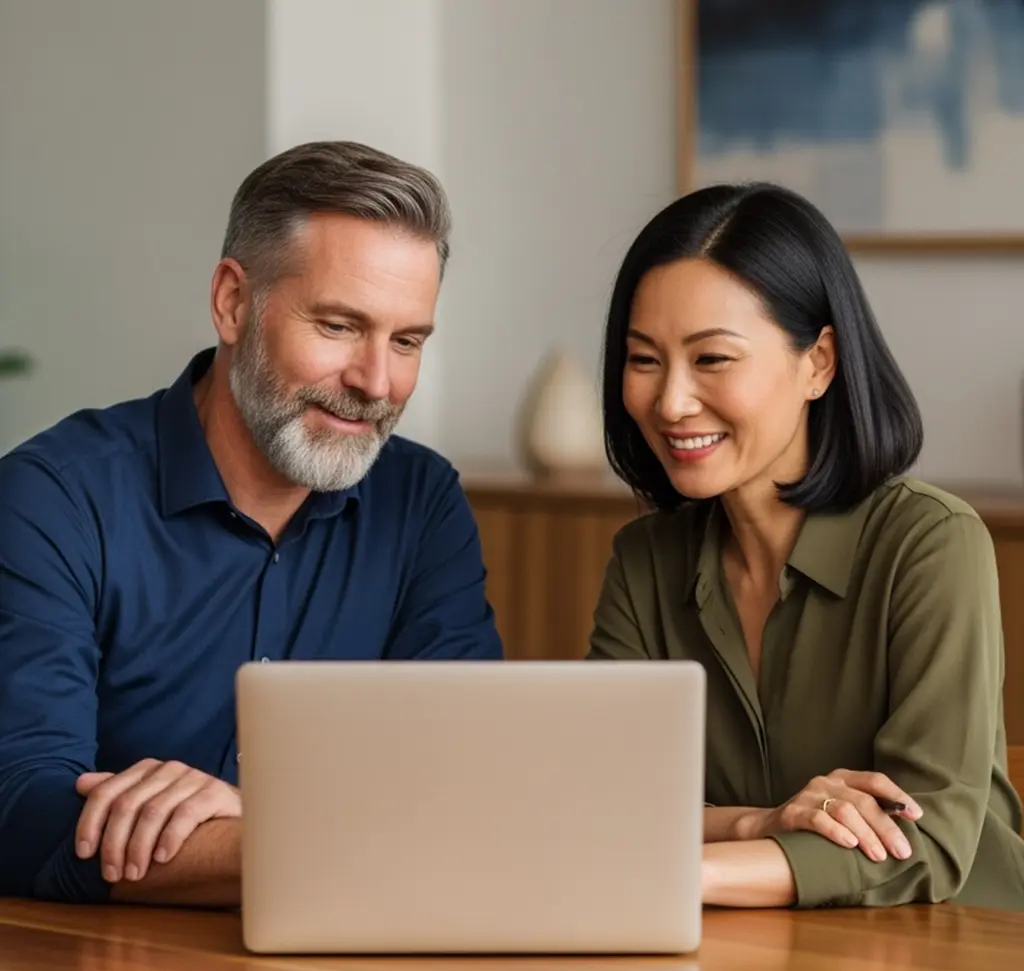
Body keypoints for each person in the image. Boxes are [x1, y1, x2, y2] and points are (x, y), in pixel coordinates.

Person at [0, 141, 503, 906]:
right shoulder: (54, 499)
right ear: (234, 302)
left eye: (406, 342)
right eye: (338, 326)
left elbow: (470, 783)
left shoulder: (421, 500)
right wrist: (307, 836)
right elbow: (23, 814)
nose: (377, 382)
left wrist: (261, 823)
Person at [588, 182, 1024, 911]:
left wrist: (685, 870)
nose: (670, 402)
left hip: (959, 961)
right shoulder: (643, 562)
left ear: (819, 362)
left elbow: (929, 836)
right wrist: (762, 823)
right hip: (739, 966)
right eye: (644, 360)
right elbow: (606, 808)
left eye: (713, 359)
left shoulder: (929, 545)